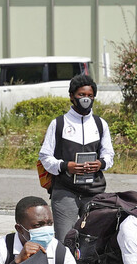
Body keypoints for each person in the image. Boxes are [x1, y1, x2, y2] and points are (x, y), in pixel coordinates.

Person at [38, 74, 115, 242]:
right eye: (81, 95)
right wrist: (66, 166)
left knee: (94, 240)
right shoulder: (58, 123)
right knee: (66, 240)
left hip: (94, 192)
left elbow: (109, 155)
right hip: (65, 191)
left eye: (89, 96)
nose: (85, 99)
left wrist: (100, 164)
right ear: (72, 96)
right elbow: (45, 156)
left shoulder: (100, 124)